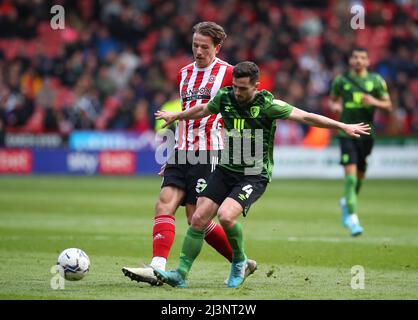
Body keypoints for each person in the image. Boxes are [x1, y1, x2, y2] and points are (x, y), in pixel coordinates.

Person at [153, 61, 371, 288]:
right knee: (198, 218)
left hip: (253, 174)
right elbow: (203, 110)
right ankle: (180, 274)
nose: (238, 92)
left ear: (256, 86)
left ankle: (239, 262)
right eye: (236, 87)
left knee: (226, 216)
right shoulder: (225, 97)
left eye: (243, 88)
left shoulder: (268, 105)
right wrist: (177, 116)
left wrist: (342, 126)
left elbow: (306, 116)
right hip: (226, 169)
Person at [122, 22, 257, 286]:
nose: (198, 51)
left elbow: (245, 106)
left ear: (217, 47)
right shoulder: (184, 73)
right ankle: (157, 267)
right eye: (195, 45)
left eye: (204, 47)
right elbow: (187, 114)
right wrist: (174, 153)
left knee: (197, 219)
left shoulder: (229, 73)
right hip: (182, 150)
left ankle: (242, 261)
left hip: (209, 152)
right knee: (164, 203)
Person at [329, 47, 392, 236]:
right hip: (347, 133)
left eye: (362, 58)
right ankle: (353, 218)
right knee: (350, 177)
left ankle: (347, 202)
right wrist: (336, 106)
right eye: (355, 57)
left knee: (359, 177)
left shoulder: (376, 81)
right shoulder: (341, 81)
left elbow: (388, 105)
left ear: (367, 61)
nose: (358, 60)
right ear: (350, 60)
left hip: (367, 134)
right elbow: (332, 101)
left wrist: (374, 102)